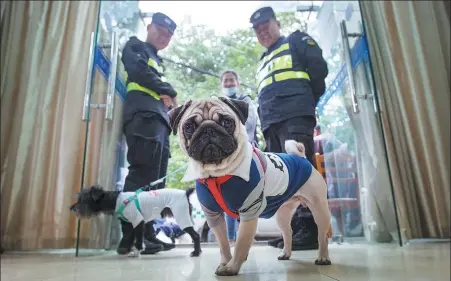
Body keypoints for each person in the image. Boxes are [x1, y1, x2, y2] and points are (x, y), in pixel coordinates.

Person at [249, 7, 329, 250]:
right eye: (258, 30)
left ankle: (313, 229)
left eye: (267, 26)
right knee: (281, 177)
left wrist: (304, 101)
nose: (263, 32)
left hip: (295, 114)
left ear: (277, 23)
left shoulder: (296, 40)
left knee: (302, 170)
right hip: (272, 123)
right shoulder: (263, 61)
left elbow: (318, 70)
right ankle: (294, 231)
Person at [119, 12, 178, 255]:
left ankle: (148, 235)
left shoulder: (158, 61)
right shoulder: (135, 46)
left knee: (157, 183)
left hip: (159, 122)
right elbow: (139, 71)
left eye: (168, 35)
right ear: (149, 26)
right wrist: (168, 90)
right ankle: (128, 237)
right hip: (143, 117)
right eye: (161, 31)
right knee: (140, 175)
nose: (164, 37)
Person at [219, 69, 259, 241]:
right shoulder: (217, 102)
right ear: (221, 84)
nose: (229, 83)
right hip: (225, 157)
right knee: (228, 196)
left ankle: (247, 236)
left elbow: (249, 123)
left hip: (246, 153)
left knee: (248, 194)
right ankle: (230, 237)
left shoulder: (246, 100)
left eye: (232, 80)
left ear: (238, 83)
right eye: (225, 81)